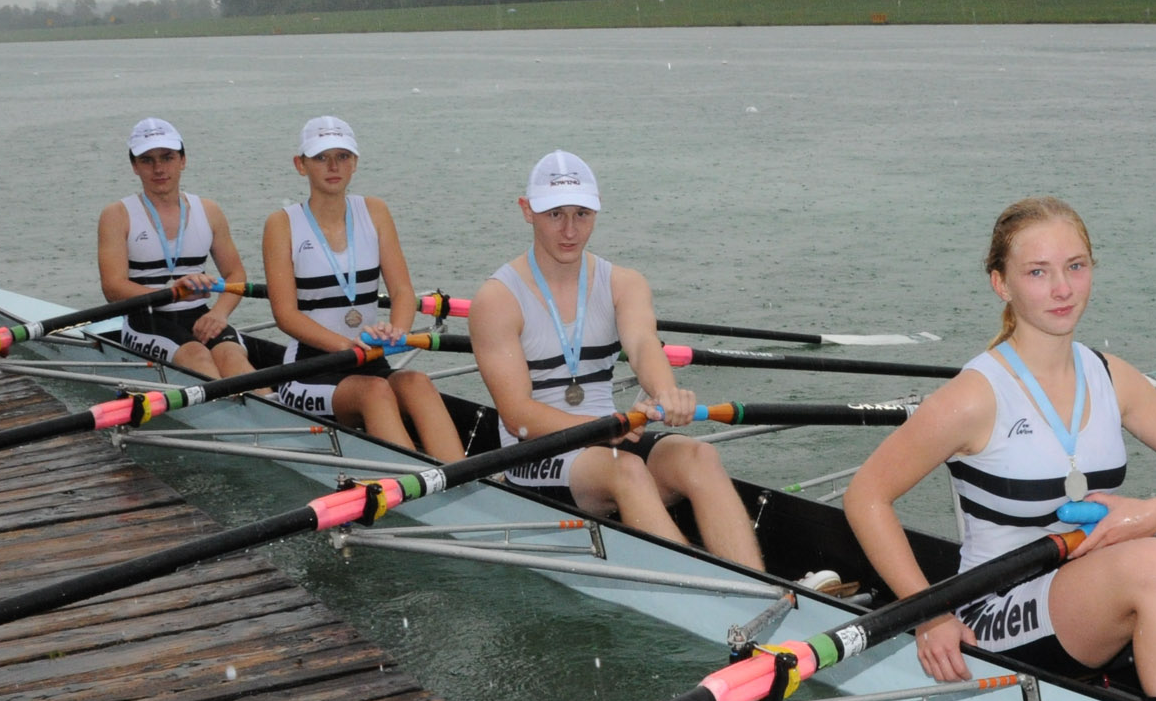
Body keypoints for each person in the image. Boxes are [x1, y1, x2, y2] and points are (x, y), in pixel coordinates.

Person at [843, 197, 1156, 701]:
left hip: (1089, 588)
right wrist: (930, 615)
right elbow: (866, 495)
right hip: (995, 609)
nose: (1063, 289)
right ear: (1001, 284)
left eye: (1075, 267)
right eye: (1038, 272)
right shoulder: (974, 398)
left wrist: (1152, 512)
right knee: (1153, 563)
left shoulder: (1110, 376)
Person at [472, 149, 764, 569]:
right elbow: (518, 415)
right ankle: (706, 594)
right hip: (536, 453)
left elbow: (644, 345)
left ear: (597, 209)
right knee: (626, 470)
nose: (570, 230)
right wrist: (599, 430)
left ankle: (759, 585)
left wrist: (666, 393)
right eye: (555, 214)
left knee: (699, 457)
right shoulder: (497, 300)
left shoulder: (624, 283)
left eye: (582, 214)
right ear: (527, 211)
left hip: (610, 438)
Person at [259, 116, 461, 458]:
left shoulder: (375, 211)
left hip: (369, 358)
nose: (334, 166)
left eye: (343, 156)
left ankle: (463, 481)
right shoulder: (282, 224)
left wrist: (397, 331)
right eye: (321, 157)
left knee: (418, 383)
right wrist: (345, 345)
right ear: (301, 165)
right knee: (375, 393)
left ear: (355, 164)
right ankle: (417, 489)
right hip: (308, 369)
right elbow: (285, 315)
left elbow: (402, 292)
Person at [95, 117, 252, 381]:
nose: (158, 169)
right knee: (197, 356)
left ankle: (267, 410)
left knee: (233, 357)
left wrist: (218, 313)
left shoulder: (209, 211)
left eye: (167, 157)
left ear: (183, 160)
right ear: (134, 166)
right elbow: (112, 289)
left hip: (201, 315)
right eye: (147, 160)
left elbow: (236, 274)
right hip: (145, 319)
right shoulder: (117, 215)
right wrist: (174, 294)